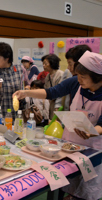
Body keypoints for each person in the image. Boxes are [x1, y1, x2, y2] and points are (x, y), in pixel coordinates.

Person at [13, 50, 102, 200]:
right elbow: (52, 92)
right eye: (78, 75)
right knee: (66, 181)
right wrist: (25, 93)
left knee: (86, 187)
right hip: (70, 143)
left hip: (92, 147)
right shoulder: (75, 82)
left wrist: (92, 132)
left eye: (83, 77)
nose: (79, 79)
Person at [42, 54, 64, 119]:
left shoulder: (60, 75)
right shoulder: (47, 77)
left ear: (52, 63)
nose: (43, 65)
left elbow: (61, 93)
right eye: (43, 63)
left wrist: (57, 106)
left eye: (45, 63)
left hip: (59, 105)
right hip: (50, 104)